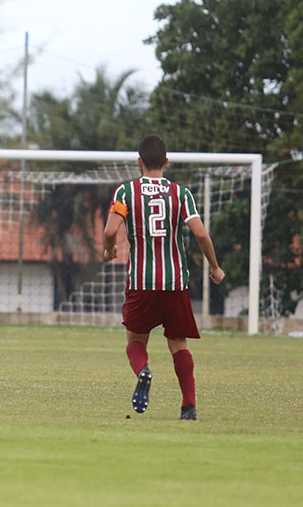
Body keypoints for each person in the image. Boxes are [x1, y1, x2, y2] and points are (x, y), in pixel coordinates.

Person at [103, 135, 225, 420]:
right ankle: (188, 407)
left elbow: (110, 232)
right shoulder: (180, 193)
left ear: (139, 162)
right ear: (166, 161)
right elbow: (200, 233)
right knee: (178, 343)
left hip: (141, 282)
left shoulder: (126, 192)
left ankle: (143, 370)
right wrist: (215, 267)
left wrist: (110, 250)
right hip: (174, 282)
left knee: (135, 340)